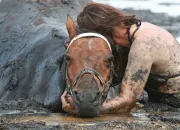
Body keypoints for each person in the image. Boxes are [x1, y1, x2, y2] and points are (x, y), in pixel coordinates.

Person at [61, 2, 180, 114]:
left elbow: (127, 102)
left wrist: (83, 108)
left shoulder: (143, 46)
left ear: (105, 30)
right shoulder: (140, 29)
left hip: (173, 101)